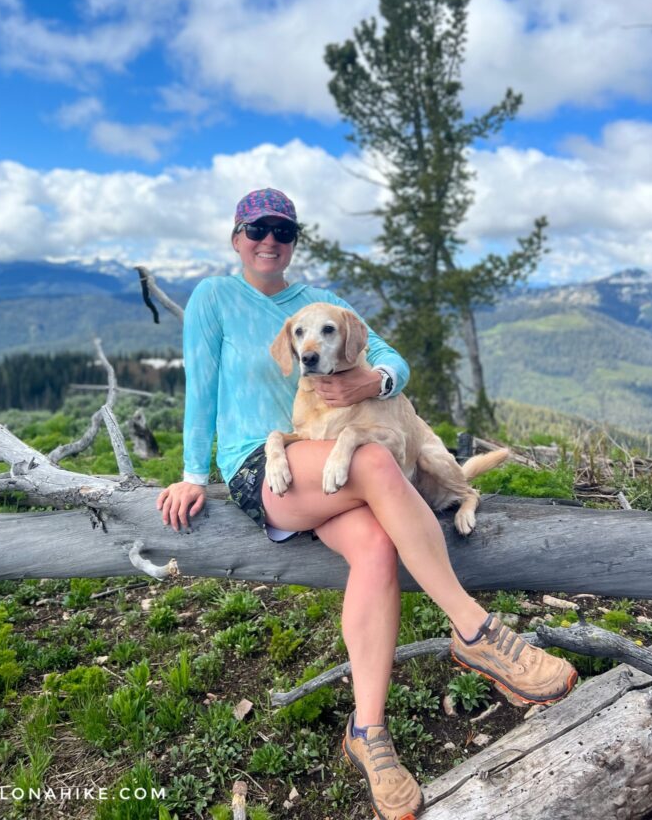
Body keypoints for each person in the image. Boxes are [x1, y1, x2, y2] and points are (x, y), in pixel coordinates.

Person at [156, 188, 576, 820]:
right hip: (262, 463)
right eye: (255, 229)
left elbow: (391, 360)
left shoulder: (325, 308)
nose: (269, 240)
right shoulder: (214, 298)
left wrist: (375, 380)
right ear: (235, 237)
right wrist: (191, 473)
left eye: (282, 230)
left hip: (331, 465)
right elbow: (201, 386)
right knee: (376, 458)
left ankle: (368, 734)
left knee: (378, 546)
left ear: (294, 241)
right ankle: (475, 632)